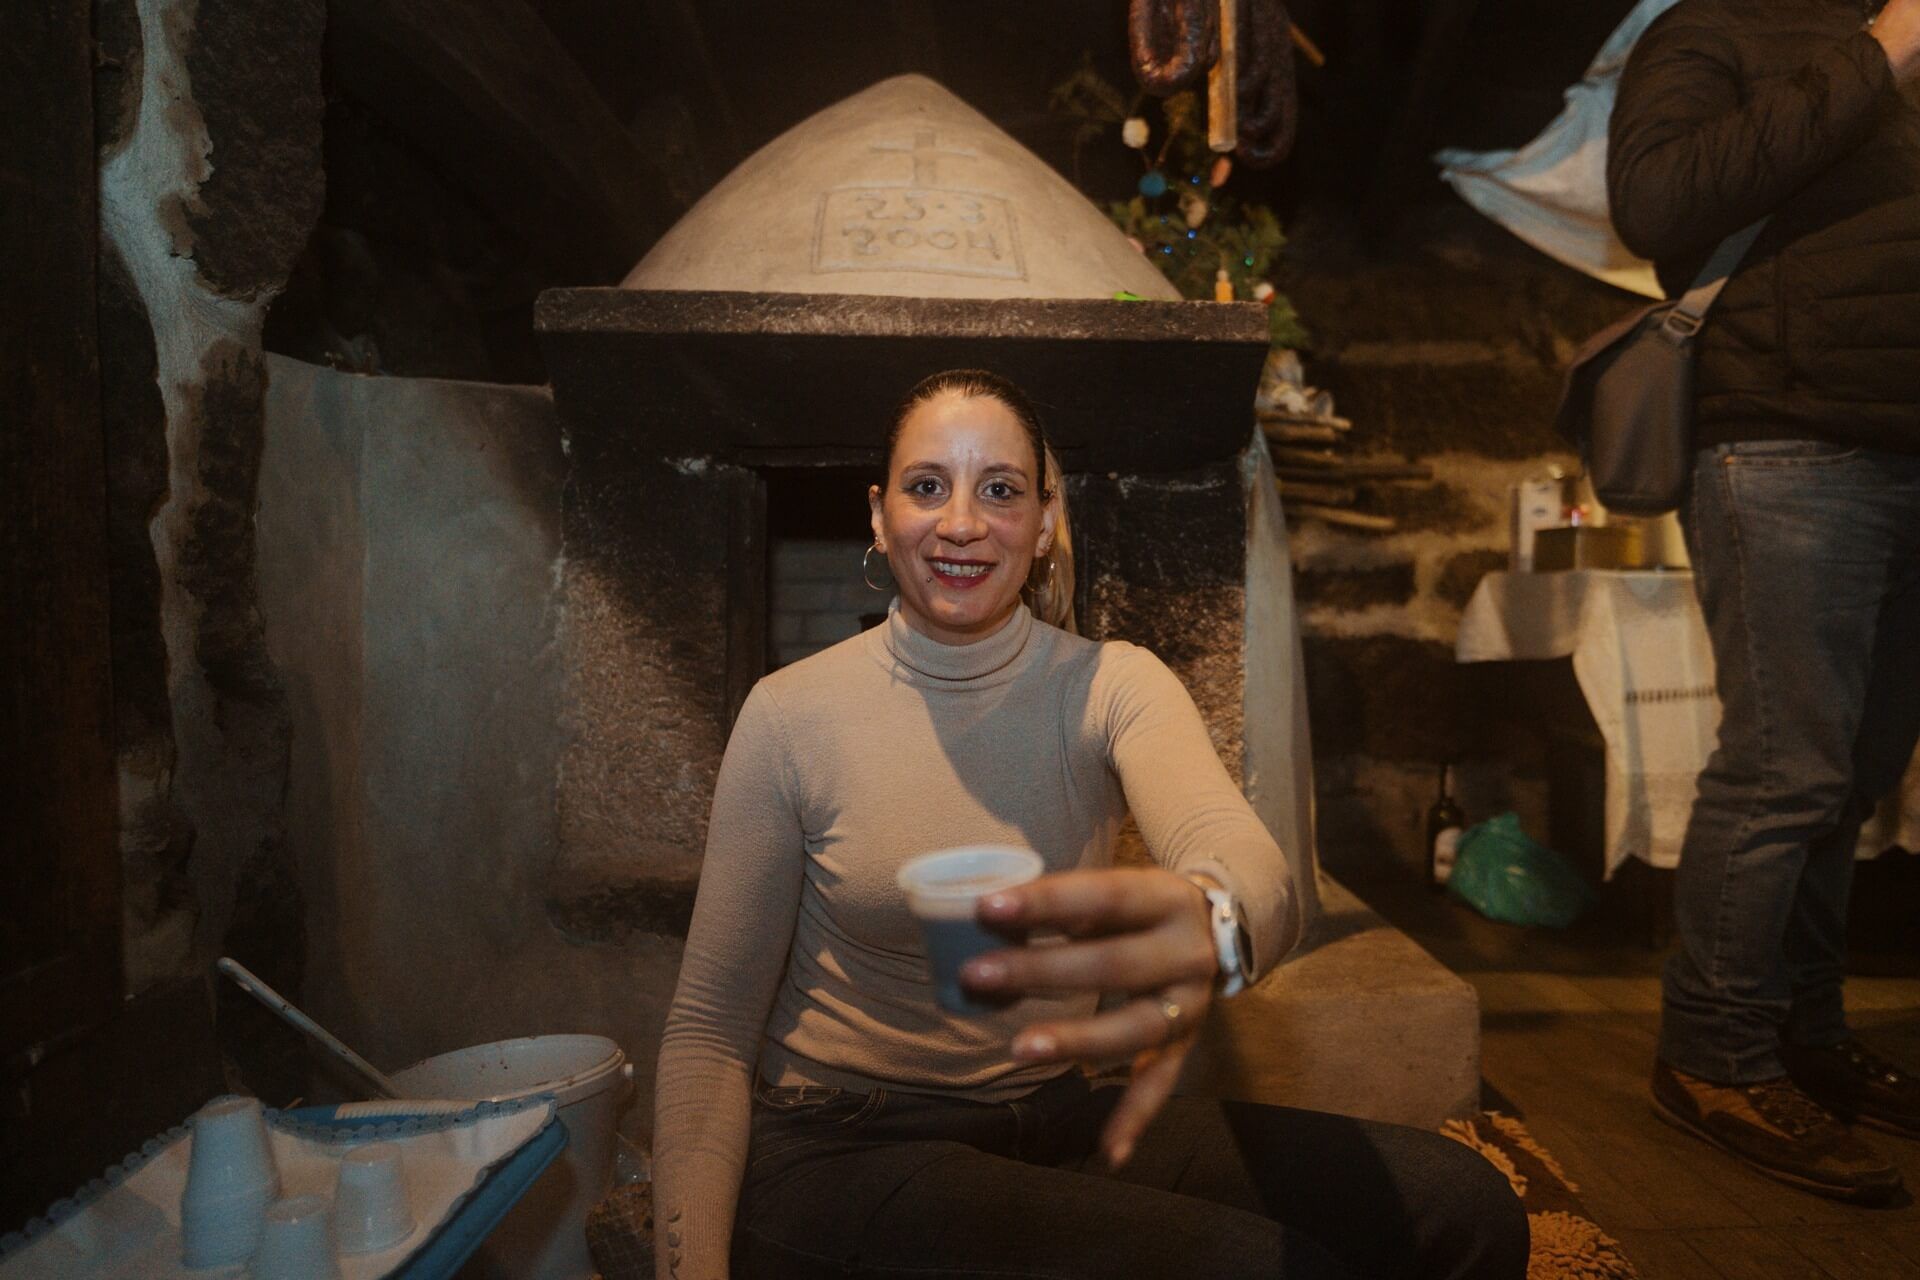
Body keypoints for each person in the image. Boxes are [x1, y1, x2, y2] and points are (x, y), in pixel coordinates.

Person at [650, 369, 1528, 1279]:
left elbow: (1244, 861)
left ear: (1045, 519)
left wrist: (1215, 924)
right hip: (843, 1149)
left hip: (1053, 1116)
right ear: (880, 515)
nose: (961, 523)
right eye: (927, 486)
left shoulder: (1112, 686)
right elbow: (709, 1029)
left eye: (1000, 489)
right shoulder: (791, 714)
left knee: (1461, 1206)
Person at [1608, 0, 1920, 1203]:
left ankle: (1807, 1032)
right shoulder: (1714, 27)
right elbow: (1657, 205)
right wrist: (1881, 51)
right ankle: (1715, 1050)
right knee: (1785, 768)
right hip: (1787, 441)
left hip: (1906, 448)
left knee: (1853, 774)